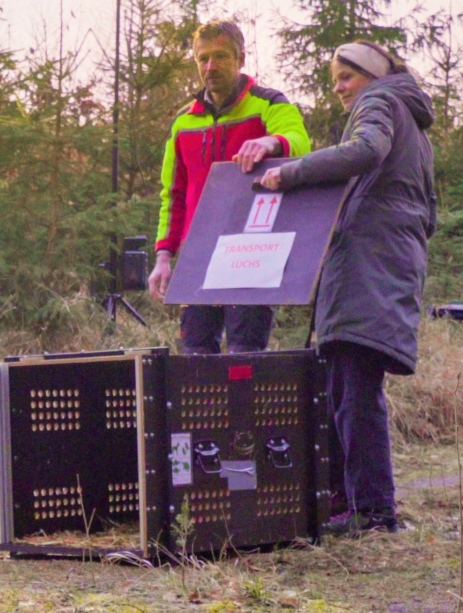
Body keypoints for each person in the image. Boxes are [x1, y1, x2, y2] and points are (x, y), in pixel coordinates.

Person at [258, 40, 436, 536]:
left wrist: (290, 173)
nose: (338, 89)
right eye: (334, 79)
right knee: (346, 382)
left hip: (368, 264)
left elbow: (364, 150)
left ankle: (373, 511)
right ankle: (348, 503)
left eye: (346, 77)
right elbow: (428, 209)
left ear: (371, 75)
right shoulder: (414, 124)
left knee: (354, 386)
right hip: (387, 262)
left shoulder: (379, 103)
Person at [149, 20, 311, 354]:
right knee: (195, 358)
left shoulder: (269, 103)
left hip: (251, 249)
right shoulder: (183, 122)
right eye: (202, 58)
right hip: (198, 252)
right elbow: (173, 196)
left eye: (220, 56)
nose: (210, 67)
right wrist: (164, 256)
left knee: (245, 356)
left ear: (240, 58)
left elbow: (300, 142)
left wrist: (271, 142)